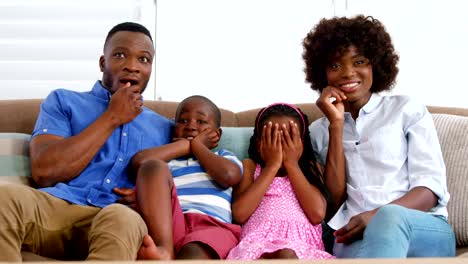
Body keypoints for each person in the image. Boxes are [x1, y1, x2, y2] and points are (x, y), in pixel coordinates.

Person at [0, 22, 173, 261]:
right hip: (54, 205)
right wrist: (112, 117)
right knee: (3, 200)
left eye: (143, 59)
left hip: (116, 216)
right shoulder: (63, 101)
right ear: (103, 63)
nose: (132, 66)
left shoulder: (165, 128)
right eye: (120, 55)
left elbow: (174, 188)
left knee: (122, 219)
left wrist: (146, 194)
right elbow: (45, 171)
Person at [303, 15, 456, 258]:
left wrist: (375, 216)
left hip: (421, 226)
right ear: (322, 74)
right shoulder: (318, 131)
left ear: (376, 64)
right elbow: (332, 202)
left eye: (359, 61)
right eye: (335, 66)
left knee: (389, 217)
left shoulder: (406, 109)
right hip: (353, 231)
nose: (347, 73)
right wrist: (337, 125)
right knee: (341, 240)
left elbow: (429, 190)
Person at [129, 95, 243, 260]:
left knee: (193, 252)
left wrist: (196, 146)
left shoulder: (224, 157)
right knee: (153, 166)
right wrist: (184, 146)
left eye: (201, 122)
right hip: (169, 226)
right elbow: (140, 163)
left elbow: (228, 175)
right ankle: (164, 250)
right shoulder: (169, 162)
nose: (190, 126)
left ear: (217, 135)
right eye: (182, 121)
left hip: (213, 226)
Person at [226, 103, 334, 260]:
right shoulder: (250, 167)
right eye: (272, 138)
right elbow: (240, 214)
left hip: (302, 248)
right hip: (256, 245)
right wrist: (272, 165)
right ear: (258, 144)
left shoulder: (309, 168)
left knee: (286, 254)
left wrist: (292, 164)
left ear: (302, 144)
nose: (280, 146)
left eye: (289, 138)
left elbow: (317, 214)